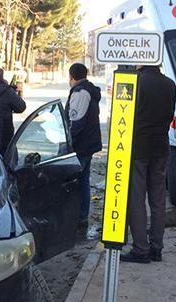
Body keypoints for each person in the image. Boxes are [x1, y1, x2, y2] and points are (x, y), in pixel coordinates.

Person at [120, 65, 176, 264]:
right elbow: (170, 116)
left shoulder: (135, 82)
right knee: (158, 199)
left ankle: (140, 249)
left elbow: (124, 117)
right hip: (161, 146)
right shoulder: (170, 84)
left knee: (136, 198)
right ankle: (156, 248)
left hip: (138, 148)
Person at [66, 63, 102, 228]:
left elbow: (76, 122)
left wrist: (68, 144)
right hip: (89, 144)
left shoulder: (80, 93)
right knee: (83, 181)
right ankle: (81, 215)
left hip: (81, 146)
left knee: (75, 183)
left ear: (71, 77)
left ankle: (78, 217)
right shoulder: (89, 90)